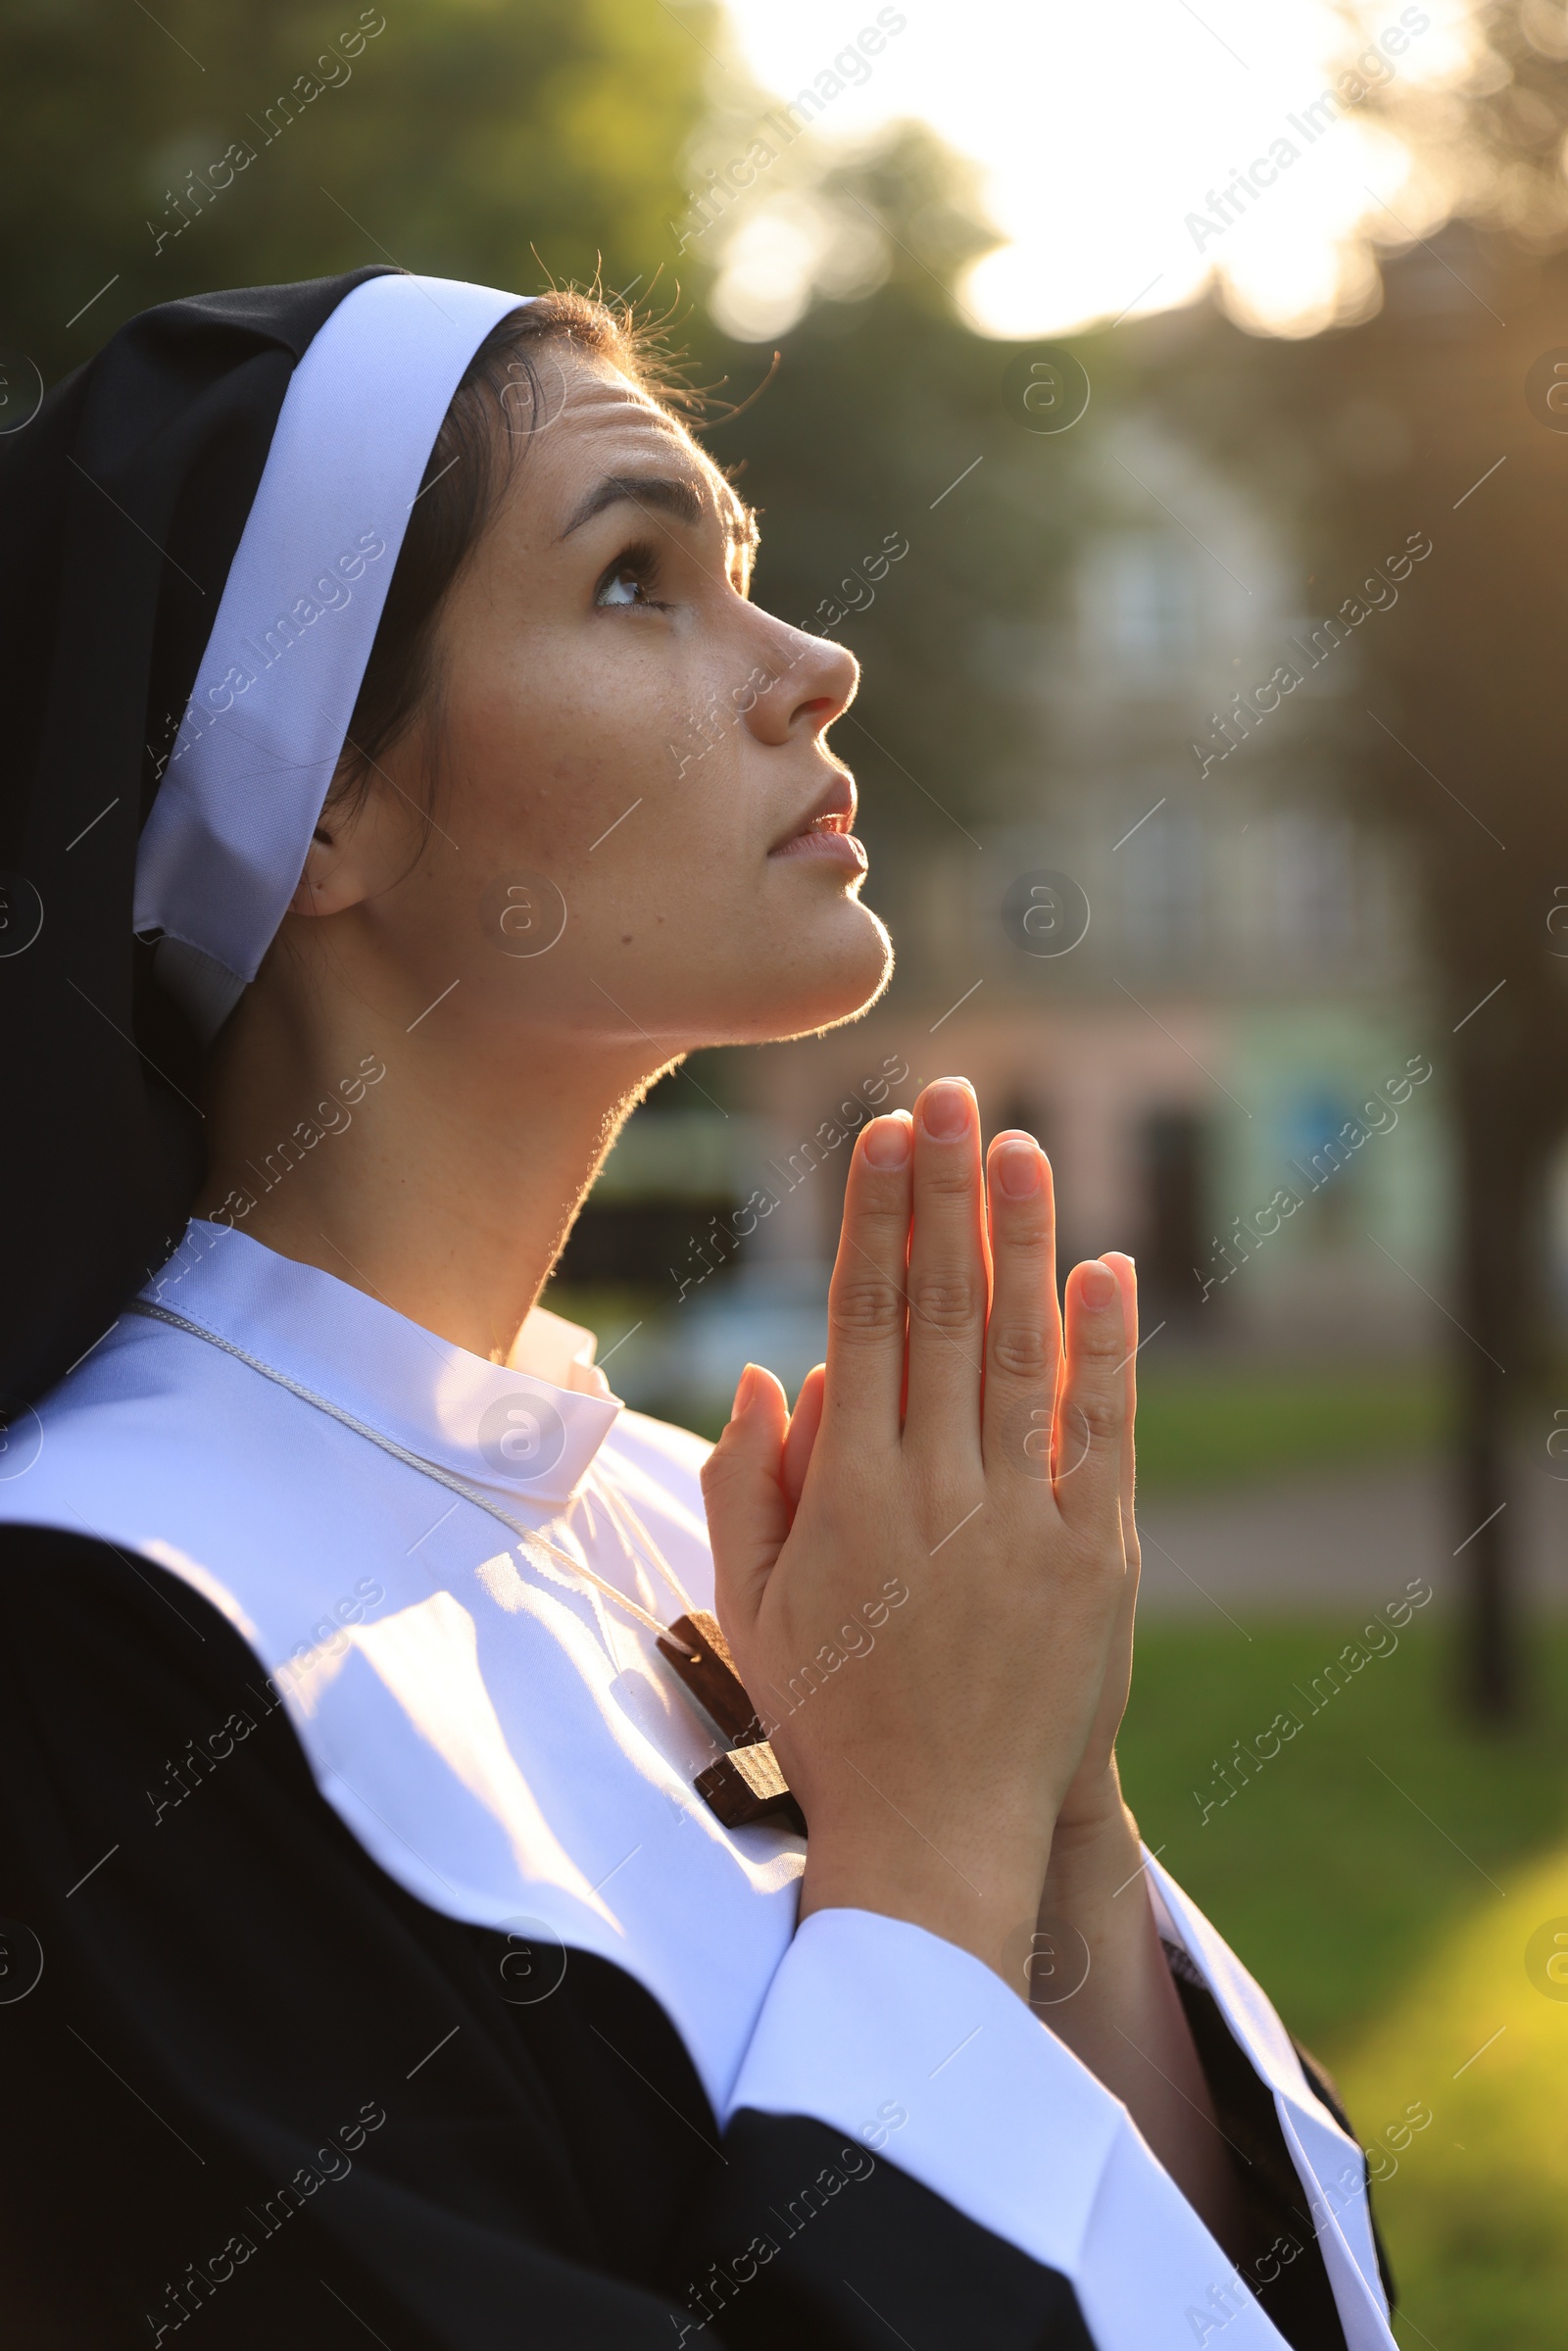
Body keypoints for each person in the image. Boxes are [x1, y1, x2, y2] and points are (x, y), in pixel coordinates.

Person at [0, 266, 1394, 2349]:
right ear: (317, 801)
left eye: (743, 567)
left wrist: (1047, 1805)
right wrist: (922, 1849)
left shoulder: (677, 1519)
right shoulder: (100, 1641)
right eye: (638, 578)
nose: (814, 663)